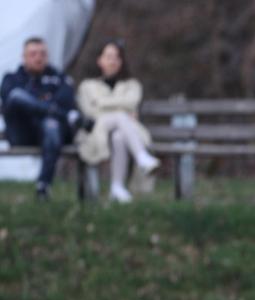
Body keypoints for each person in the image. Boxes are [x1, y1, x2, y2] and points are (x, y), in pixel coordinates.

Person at [76, 40, 159, 203]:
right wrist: (121, 108)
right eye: (108, 57)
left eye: (116, 57)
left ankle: (117, 187)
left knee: (119, 137)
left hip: (126, 133)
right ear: (100, 60)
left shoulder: (132, 85)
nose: (112, 61)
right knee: (121, 117)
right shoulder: (88, 86)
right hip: (96, 132)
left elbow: (132, 102)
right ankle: (141, 156)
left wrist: (101, 103)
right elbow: (90, 111)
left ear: (121, 61)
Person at [1, 37, 84, 201]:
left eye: (42, 54)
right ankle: (59, 116)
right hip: (21, 134)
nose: (38, 58)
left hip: (51, 133)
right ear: (24, 57)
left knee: (51, 124)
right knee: (18, 96)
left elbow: (66, 101)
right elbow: (12, 100)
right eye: (33, 54)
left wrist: (33, 103)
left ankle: (43, 187)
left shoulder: (59, 78)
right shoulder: (11, 78)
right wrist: (52, 106)